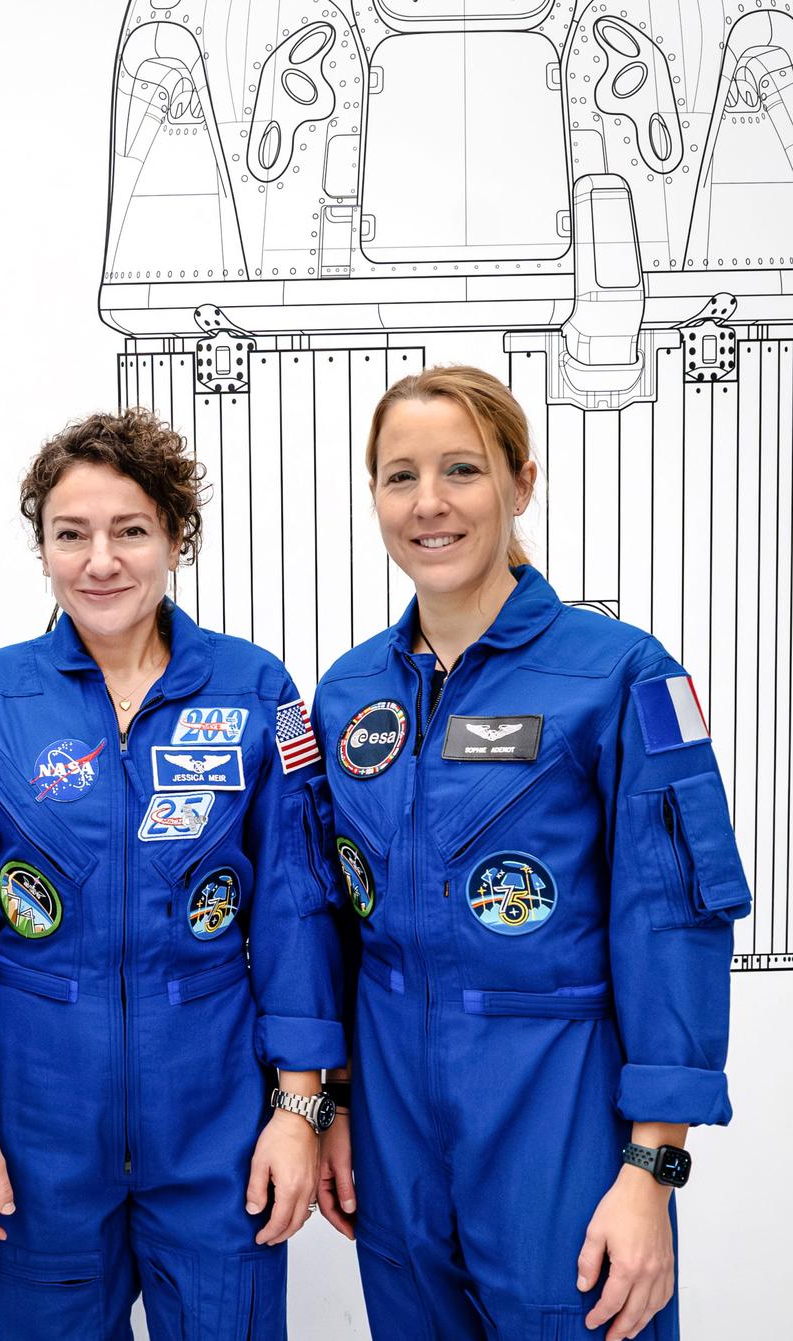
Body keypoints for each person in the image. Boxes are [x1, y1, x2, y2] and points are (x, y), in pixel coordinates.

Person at [311, 365, 748, 1341]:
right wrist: (334, 1105)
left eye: (461, 470)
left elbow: (669, 922)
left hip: (556, 1106)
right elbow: (335, 921)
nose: (430, 504)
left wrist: (651, 1175)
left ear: (522, 483)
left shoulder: (620, 673)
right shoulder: (347, 694)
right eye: (399, 475)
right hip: (394, 1124)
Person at [0, 409, 347, 1339]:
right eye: (72, 535)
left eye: (130, 531)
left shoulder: (255, 691)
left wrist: (300, 1108)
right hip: (38, 1131)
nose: (100, 561)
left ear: (176, 538)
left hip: (220, 1126)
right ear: (45, 549)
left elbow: (299, 911)